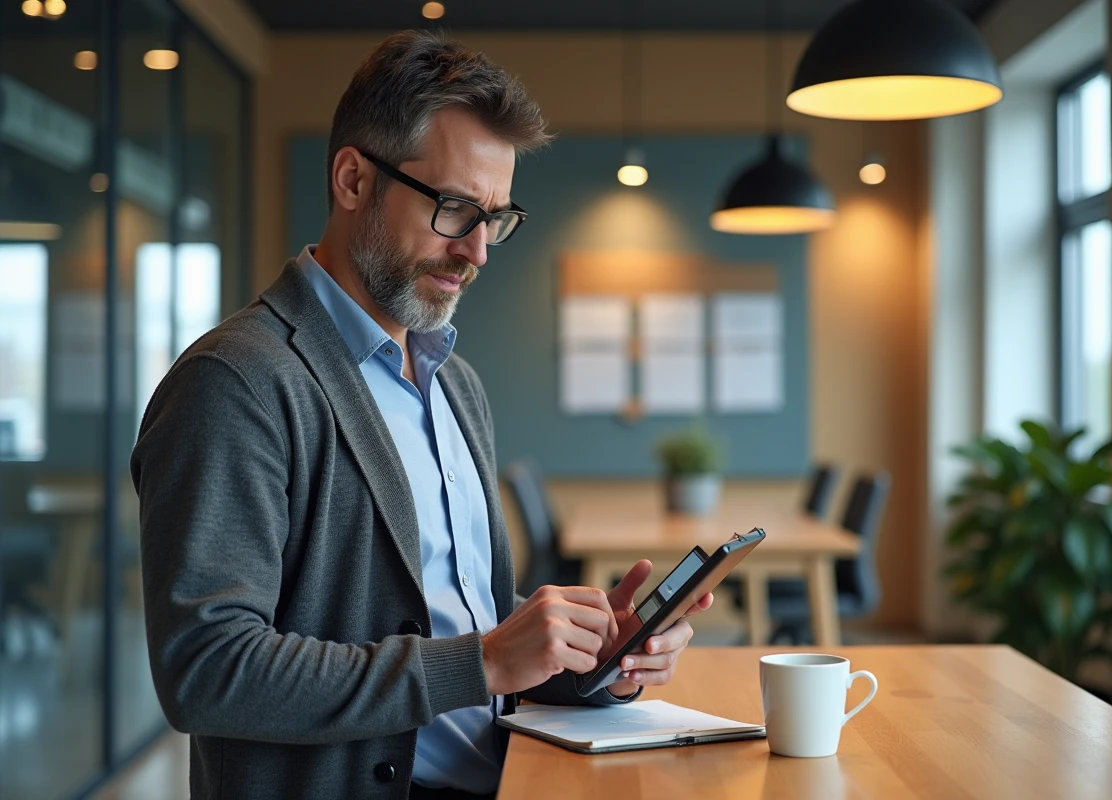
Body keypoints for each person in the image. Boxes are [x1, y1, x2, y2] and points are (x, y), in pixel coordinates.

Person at [130, 30, 713, 800]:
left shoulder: (454, 383)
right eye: (453, 208)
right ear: (351, 179)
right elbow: (207, 671)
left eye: (496, 218)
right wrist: (485, 661)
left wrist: (583, 653)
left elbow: (444, 625)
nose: (476, 250)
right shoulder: (235, 384)